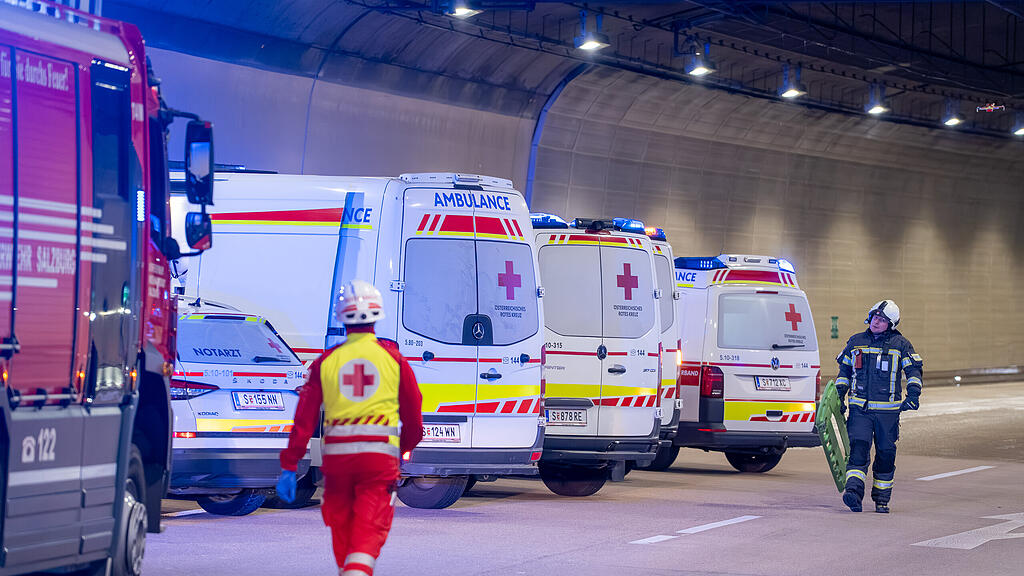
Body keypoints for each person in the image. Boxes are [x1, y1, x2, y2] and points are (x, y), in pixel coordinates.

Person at [277, 280, 423, 576]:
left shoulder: (325, 362)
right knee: (369, 528)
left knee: (342, 525)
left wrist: (290, 465)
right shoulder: (394, 360)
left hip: (338, 463)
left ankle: (351, 569)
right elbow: (414, 417)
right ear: (377, 316)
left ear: (341, 317)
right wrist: (404, 448)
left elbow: (303, 421)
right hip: (378, 461)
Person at [834, 300, 923, 514]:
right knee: (858, 448)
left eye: (882, 320)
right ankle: (853, 493)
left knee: (885, 453)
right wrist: (838, 397)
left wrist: (913, 395)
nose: (877, 322)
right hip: (860, 410)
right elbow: (844, 373)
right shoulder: (856, 342)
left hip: (888, 413)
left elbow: (913, 372)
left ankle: (882, 499)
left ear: (890, 324)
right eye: (875, 317)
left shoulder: (901, 344)